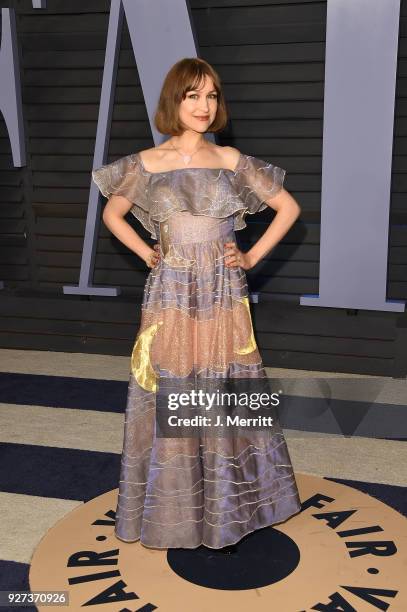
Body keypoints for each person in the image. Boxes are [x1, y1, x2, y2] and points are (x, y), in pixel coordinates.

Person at [92, 57, 302, 554]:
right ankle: (177, 509)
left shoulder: (230, 160)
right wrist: (148, 252)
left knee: (227, 381)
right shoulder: (145, 163)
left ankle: (238, 504)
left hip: (223, 290)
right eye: (193, 96)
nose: (204, 106)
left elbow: (288, 208)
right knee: (174, 383)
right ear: (174, 100)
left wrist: (249, 254)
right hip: (171, 291)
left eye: (211, 96)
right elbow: (113, 213)